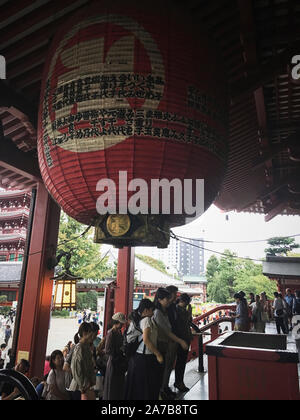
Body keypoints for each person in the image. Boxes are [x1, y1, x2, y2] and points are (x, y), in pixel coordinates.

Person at [153, 288, 188, 400]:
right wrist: (180, 340)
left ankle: (164, 388)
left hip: (168, 341)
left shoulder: (166, 310)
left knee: (167, 367)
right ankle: (161, 390)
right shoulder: (158, 312)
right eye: (167, 298)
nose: (170, 300)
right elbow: (167, 330)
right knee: (163, 368)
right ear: (160, 299)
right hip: (162, 342)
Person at [125, 299, 163, 400]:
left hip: (139, 358)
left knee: (140, 387)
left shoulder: (139, 319)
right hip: (145, 358)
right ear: (146, 310)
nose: (153, 312)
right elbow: (146, 339)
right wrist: (158, 354)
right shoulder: (146, 320)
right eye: (151, 310)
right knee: (146, 387)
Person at [69, 322, 96, 400]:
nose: (93, 336)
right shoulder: (79, 348)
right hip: (79, 388)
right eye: (91, 333)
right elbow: (76, 369)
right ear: (84, 333)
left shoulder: (86, 346)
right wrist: (83, 386)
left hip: (85, 386)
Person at [103, 312, 127, 400]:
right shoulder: (111, 333)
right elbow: (108, 350)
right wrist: (118, 351)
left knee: (119, 384)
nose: (122, 325)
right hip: (113, 362)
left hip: (118, 361)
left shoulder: (119, 332)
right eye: (121, 323)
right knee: (112, 384)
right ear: (116, 322)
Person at [174, 293, 193, 392]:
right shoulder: (177, 310)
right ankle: (179, 382)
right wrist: (189, 313)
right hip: (181, 339)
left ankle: (179, 381)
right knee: (181, 362)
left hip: (185, 338)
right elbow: (183, 322)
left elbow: (189, 321)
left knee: (182, 362)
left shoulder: (182, 309)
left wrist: (189, 313)